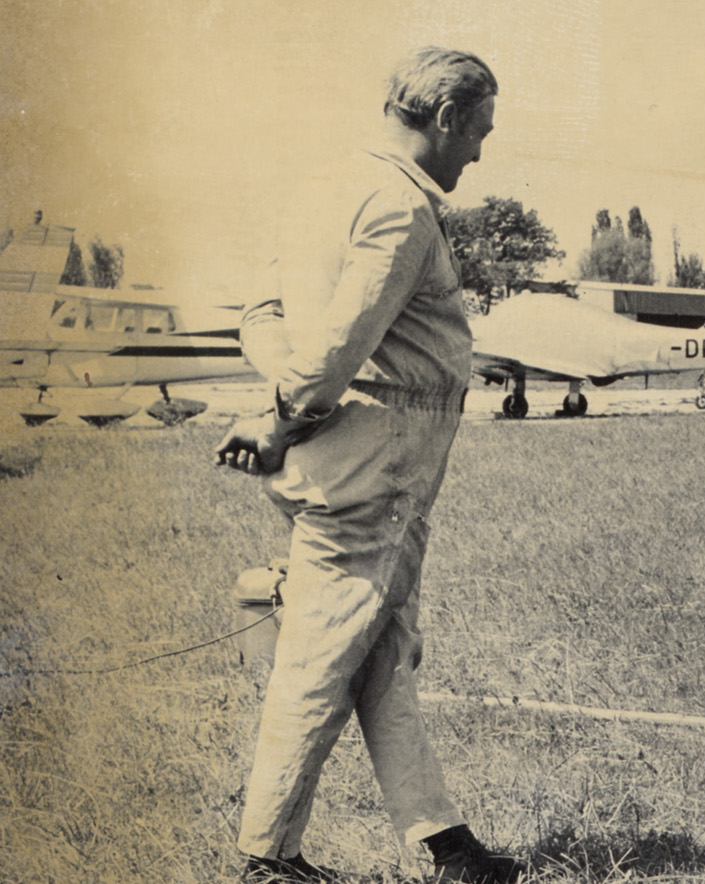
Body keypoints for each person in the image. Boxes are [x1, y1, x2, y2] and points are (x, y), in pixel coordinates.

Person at [214, 47, 522, 884]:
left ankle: (447, 848)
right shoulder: (400, 209)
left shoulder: (325, 186)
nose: (479, 153)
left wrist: (286, 410)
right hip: (374, 471)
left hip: (337, 458)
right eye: (480, 133)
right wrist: (286, 418)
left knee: (380, 651)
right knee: (321, 660)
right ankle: (267, 857)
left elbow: (263, 311)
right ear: (448, 117)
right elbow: (339, 346)